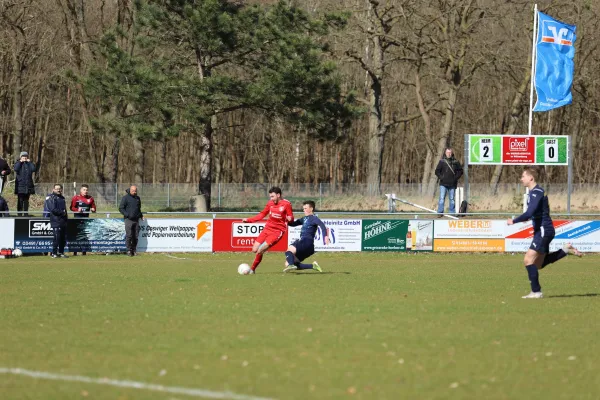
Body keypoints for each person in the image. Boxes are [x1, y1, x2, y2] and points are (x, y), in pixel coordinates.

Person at [507, 166, 582, 299]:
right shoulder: (534, 192)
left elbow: (529, 212)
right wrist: (529, 218)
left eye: (523, 176)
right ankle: (565, 250)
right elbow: (534, 213)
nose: (521, 179)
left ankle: (536, 292)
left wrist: (514, 221)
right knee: (538, 265)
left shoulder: (537, 192)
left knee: (528, 260)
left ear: (531, 178)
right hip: (542, 230)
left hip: (543, 230)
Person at [242, 186, 293, 273]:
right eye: (270, 197)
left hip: (278, 231)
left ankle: (252, 270)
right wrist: (249, 220)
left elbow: (291, 217)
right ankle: (253, 268)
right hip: (267, 228)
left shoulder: (286, 204)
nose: (271, 198)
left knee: (260, 249)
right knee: (254, 250)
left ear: (278, 195)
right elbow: (262, 214)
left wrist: (290, 219)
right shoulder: (270, 204)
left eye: (272, 196)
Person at [283, 200, 330, 273]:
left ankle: (291, 265)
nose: (303, 210)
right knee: (288, 263)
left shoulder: (314, 218)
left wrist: (325, 236)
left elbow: (322, 226)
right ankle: (313, 266)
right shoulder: (304, 219)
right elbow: (293, 224)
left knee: (289, 250)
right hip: (309, 247)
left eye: (305, 208)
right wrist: (285, 219)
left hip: (306, 241)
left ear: (311, 209)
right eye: (303, 208)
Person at [435, 148, 463, 217]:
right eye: (447, 152)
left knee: (452, 199)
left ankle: (452, 213)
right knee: (441, 198)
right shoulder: (442, 161)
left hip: (452, 184)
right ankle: (440, 212)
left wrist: (455, 178)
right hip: (443, 184)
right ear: (445, 153)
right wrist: (442, 178)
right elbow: (437, 171)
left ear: (452, 153)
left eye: (450, 153)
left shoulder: (456, 161)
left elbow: (460, 171)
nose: (449, 154)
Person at [70, 184, 97, 255]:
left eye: (86, 190)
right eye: (84, 190)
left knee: (84, 235)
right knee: (77, 235)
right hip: (77, 219)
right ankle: (75, 252)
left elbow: (93, 207)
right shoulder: (76, 198)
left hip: (86, 219)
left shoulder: (90, 198)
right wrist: (77, 209)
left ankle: (84, 251)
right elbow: (72, 208)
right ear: (80, 190)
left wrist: (93, 209)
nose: (85, 191)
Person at [45, 184, 69, 258]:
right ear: (53, 189)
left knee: (63, 238)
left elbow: (65, 209)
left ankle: (61, 252)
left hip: (63, 221)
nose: (58, 190)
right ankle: (53, 253)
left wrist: (65, 216)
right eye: (57, 189)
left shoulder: (62, 198)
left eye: (60, 189)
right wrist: (62, 213)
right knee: (56, 237)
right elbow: (52, 209)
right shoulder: (50, 197)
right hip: (56, 220)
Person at [119, 185, 143, 256]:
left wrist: (141, 215)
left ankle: (134, 250)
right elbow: (121, 208)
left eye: (135, 191)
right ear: (130, 190)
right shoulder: (125, 198)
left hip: (136, 220)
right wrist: (127, 215)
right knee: (129, 235)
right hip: (128, 220)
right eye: (133, 190)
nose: (134, 192)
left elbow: (138, 209)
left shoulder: (138, 198)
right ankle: (129, 250)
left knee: (135, 236)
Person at [13, 151, 36, 216]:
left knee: (26, 200)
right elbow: (16, 169)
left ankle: (26, 213)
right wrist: (20, 162)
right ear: (21, 157)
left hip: (28, 185)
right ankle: (19, 214)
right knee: (20, 200)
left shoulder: (29, 164)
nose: (25, 158)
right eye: (23, 156)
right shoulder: (18, 163)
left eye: (26, 156)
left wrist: (30, 162)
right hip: (20, 185)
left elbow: (33, 169)